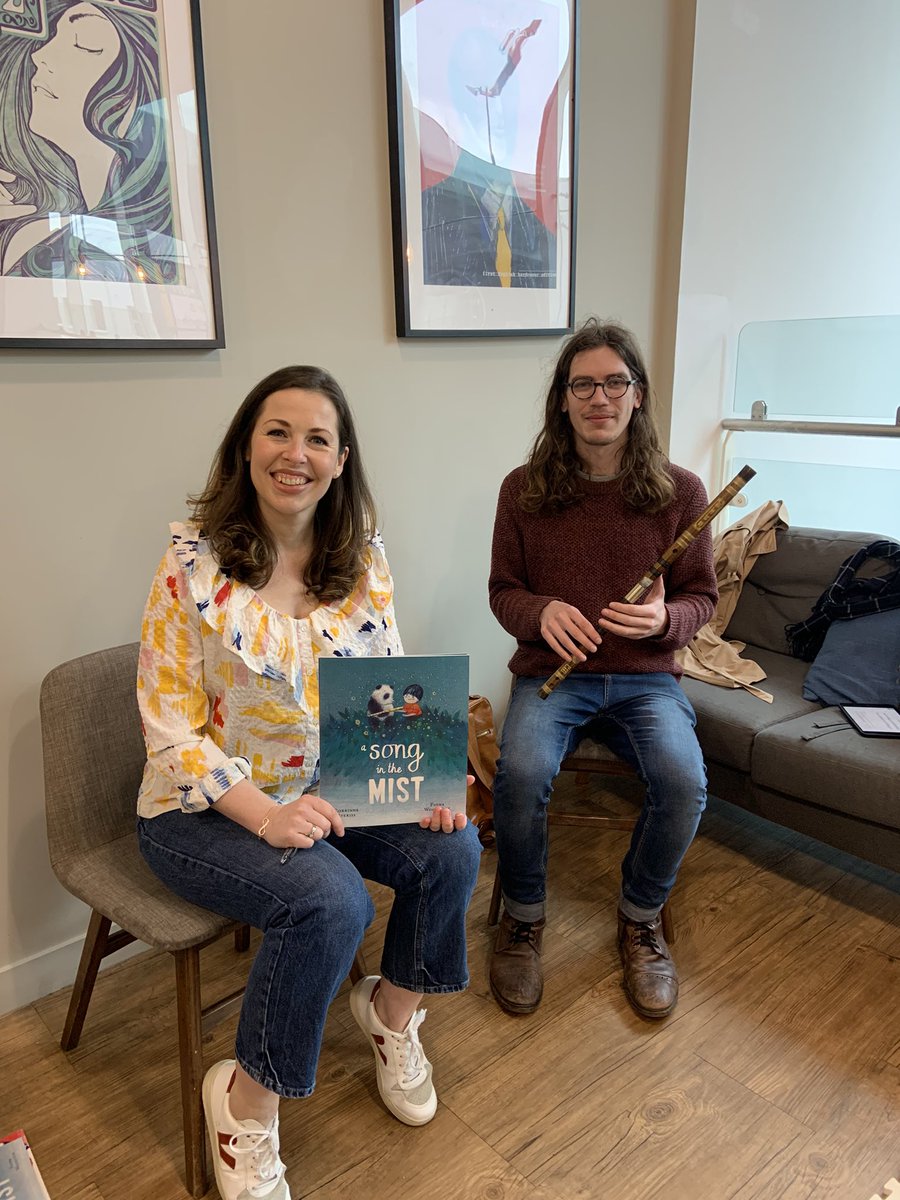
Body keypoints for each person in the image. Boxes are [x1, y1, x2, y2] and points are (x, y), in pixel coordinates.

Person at [136, 365, 481, 1200]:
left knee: (456, 850)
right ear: (246, 446)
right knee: (333, 901)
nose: (296, 453)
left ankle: (390, 1017)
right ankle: (245, 1104)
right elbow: (168, 724)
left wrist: (429, 777)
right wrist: (262, 815)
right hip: (203, 808)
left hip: (335, 786)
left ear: (340, 459)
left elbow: (389, 689)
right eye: (278, 432)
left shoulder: (362, 562)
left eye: (317, 438)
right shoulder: (193, 561)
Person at [487, 318, 717, 1021]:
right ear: (562, 399)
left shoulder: (681, 490)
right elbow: (503, 591)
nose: (599, 397)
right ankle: (523, 917)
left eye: (614, 382)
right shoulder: (522, 489)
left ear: (638, 395)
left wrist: (663, 622)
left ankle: (640, 918)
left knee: (684, 783)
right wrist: (540, 613)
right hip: (553, 675)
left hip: (648, 679)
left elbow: (702, 598)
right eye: (582, 384)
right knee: (521, 772)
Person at [0, 0, 177, 280]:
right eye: (54, 36)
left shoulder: (146, 248)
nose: (39, 55)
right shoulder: (36, 224)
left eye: (84, 43)